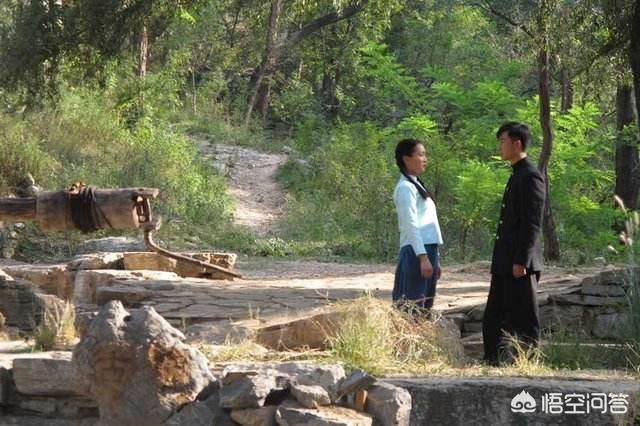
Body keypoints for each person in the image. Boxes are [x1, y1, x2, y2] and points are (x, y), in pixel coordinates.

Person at [482, 122, 546, 365]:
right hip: (505, 261)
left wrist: (522, 260)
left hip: (519, 263)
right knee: (494, 316)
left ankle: (529, 362)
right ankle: (493, 361)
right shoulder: (517, 174)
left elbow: (532, 223)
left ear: (517, 144)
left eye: (503, 142)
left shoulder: (530, 176)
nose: (499, 147)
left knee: (524, 317)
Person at [392, 138, 443, 316]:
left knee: (424, 306)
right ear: (406, 159)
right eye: (420, 155)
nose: (425, 159)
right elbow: (410, 224)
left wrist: (435, 258)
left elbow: (427, 225)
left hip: (427, 249)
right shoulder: (405, 187)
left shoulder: (416, 184)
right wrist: (423, 257)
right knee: (411, 306)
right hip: (416, 252)